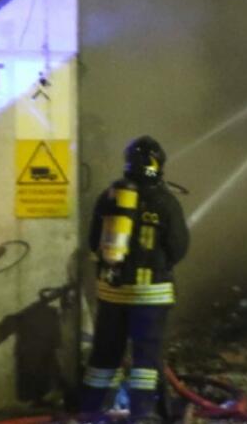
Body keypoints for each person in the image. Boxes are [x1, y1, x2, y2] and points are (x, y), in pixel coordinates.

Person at [80, 136, 189, 421]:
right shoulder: (165, 201)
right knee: (146, 358)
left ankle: (91, 410)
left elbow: (94, 242)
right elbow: (179, 247)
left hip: (112, 292)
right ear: (158, 164)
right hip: (151, 294)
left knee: (105, 355)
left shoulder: (110, 197)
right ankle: (143, 414)